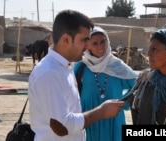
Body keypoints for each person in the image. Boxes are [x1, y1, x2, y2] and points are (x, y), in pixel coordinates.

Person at [28, 10, 125, 141]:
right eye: (84, 40)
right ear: (66, 39)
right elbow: (62, 126)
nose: (87, 46)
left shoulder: (66, 67)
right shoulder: (49, 73)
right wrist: (101, 112)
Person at [74, 26, 138, 141]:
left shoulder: (117, 66)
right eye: (95, 43)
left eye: (102, 41)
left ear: (107, 41)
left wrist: (123, 103)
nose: (100, 46)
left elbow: (137, 85)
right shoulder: (81, 67)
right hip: (90, 118)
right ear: (88, 46)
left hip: (113, 121)